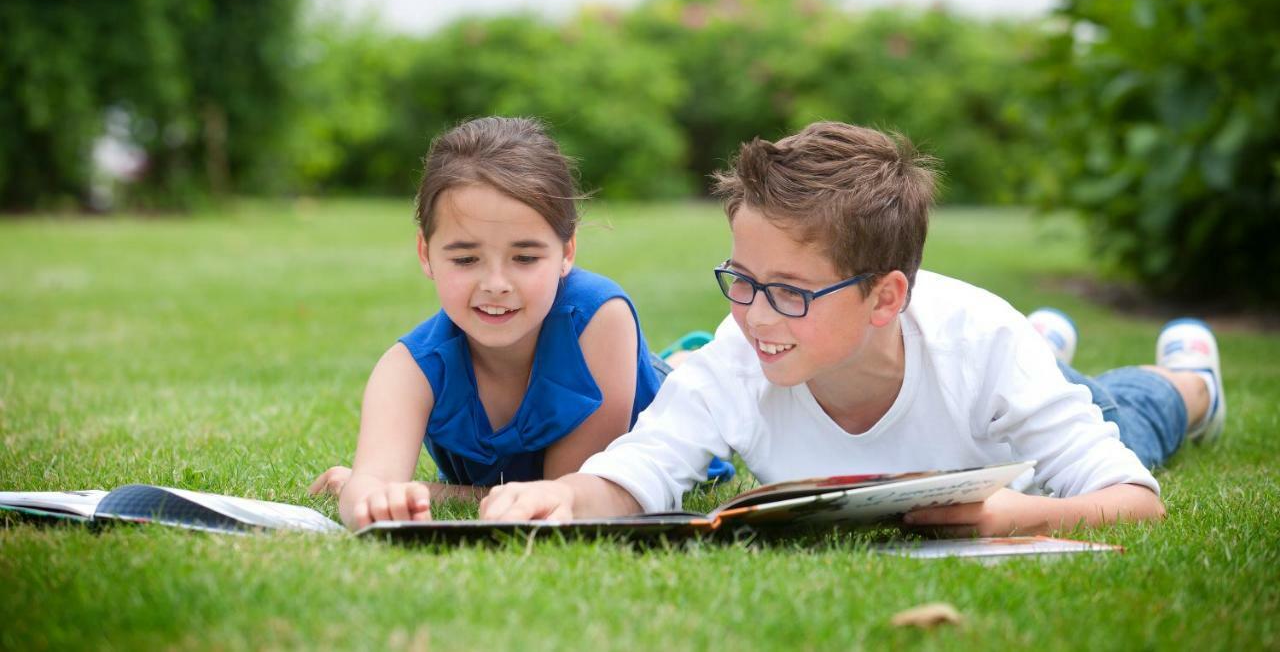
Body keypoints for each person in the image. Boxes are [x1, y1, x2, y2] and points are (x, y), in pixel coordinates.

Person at [478, 122, 1226, 536]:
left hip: (999, 387)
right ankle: (1053, 345)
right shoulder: (740, 354)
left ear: (884, 295)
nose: (756, 316)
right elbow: (644, 465)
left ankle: (1189, 379)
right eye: (743, 280)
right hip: (994, 380)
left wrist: (1013, 514)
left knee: (1132, 411)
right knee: (1044, 378)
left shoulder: (981, 345)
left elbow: (1136, 500)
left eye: (791, 292)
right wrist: (569, 496)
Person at [310, 116, 728, 530]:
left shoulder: (601, 318)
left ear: (567, 251)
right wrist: (367, 496)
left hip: (643, 390)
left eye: (525, 258)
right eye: (465, 259)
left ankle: (682, 362)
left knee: (689, 381)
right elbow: (366, 489)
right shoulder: (409, 369)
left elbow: (568, 495)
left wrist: (433, 491)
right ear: (425, 252)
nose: (496, 285)